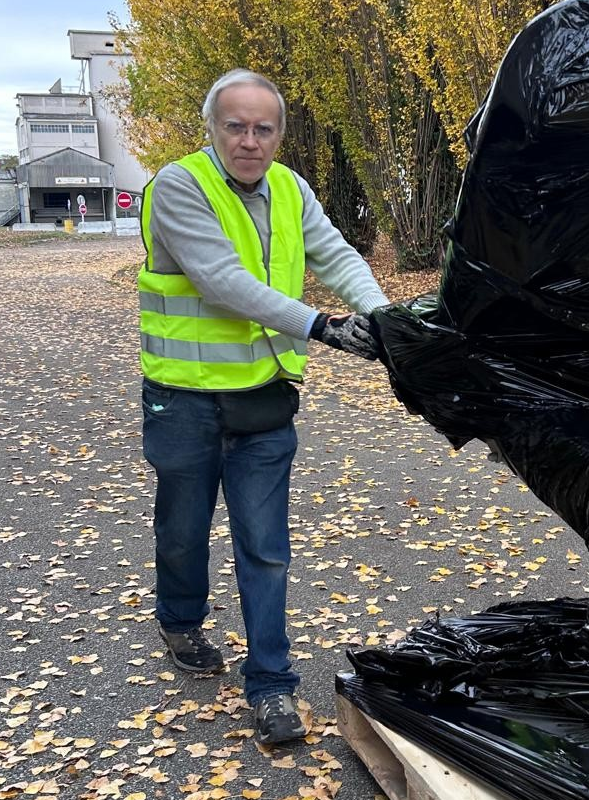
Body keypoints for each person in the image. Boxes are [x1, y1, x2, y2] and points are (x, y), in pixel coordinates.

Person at [137, 69, 390, 744]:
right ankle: (180, 621)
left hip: (264, 403)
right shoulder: (179, 186)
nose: (249, 141)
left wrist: (384, 317)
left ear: (279, 134)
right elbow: (221, 281)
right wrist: (322, 326)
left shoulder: (290, 188)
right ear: (212, 129)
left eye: (263, 128)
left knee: (266, 549)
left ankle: (272, 687)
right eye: (236, 126)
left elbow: (335, 255)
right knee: (183, 532)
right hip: (183, 403)